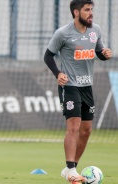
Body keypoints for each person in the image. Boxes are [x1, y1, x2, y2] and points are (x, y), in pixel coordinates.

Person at [43, 0, 112, 183]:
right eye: (87, 10)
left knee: (86, 130)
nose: (91, 13)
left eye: (92, 10)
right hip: (70, 86)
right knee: (73, 126)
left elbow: (97, 52)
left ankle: (70, 168)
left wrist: (104, 54)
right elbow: (48, 55)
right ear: (76, 12)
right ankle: (72, 169)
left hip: (87, 86)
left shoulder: (95, 30)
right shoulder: (63, 33)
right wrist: (58, 73)